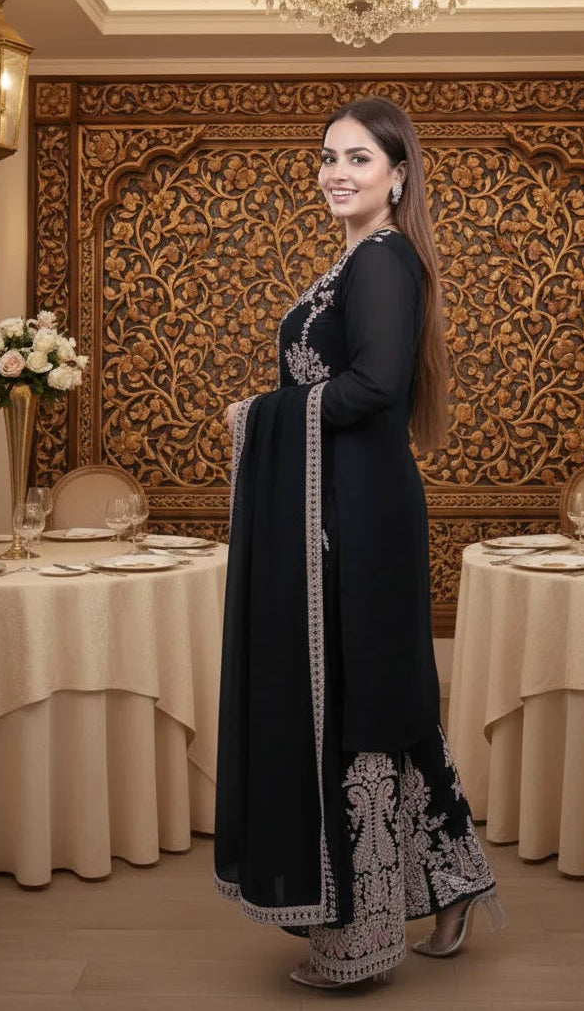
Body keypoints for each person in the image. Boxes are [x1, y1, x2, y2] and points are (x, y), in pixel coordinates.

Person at [215, 95, 503, 990]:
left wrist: (257, 414)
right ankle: (451, 884)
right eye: (329, 156)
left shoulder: (382, 261)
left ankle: (360, 933)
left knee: (354, 693)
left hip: (353, 516)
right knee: (376, 689)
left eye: (359, 160)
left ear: (398, 173)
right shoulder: (357, 260)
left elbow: (376, 387)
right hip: (343, 504)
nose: (338, 172)